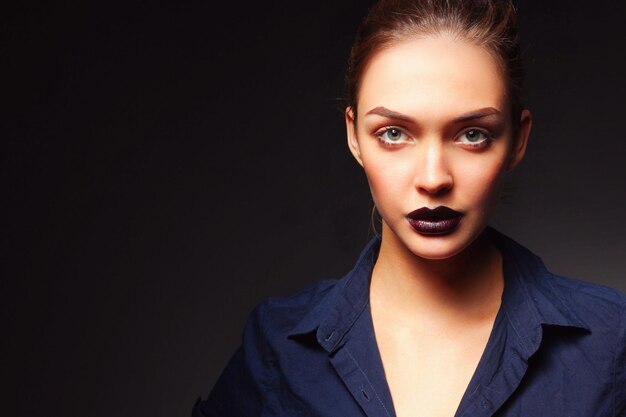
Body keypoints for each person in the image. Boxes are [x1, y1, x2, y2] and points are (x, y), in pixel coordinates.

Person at [193, 0, 626, 416]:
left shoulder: (611, 343)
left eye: (472, 134)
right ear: (354, 136)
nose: (434, 177)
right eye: (394, 133)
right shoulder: (277, 347)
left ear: (517, 139)